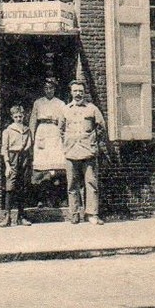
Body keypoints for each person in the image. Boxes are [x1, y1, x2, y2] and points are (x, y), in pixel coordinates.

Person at [59, 80, 107, 225]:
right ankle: (74, 213)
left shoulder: (92, 109)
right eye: (75, 91)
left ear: (84, 92)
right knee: (72, 184)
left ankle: (91, 214)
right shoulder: (65, 109)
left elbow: (101, 127)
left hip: (88, 151)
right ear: (71, 92)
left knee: (91, 183)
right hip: (71, 151)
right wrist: (67, 144)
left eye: (80, 91)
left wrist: (92, 141)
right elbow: (61, 130)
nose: (78, 94)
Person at [29, 76, 67, 204]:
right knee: (41, 168)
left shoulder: (60, 103)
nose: (49, 90)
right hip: (42, 132)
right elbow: (33, 121)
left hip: (55, 133)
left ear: (55, 89)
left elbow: (63, 122)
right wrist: (32, 137)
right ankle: (41, 199)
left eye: (51, 88)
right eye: (46, 88)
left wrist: (63, 137)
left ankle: (54, 199)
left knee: (55, 168)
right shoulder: (38, 103)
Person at [0, 102, 33, 227]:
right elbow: (4, 148)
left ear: (23, 116)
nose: (19, 119)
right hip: (12, 158)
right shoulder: (8, 131)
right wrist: (7, 165)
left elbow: (29, 145)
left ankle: (21, 216)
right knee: (10, 187)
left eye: (20, 116)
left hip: (24, 158)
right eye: (16, 117)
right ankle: (7, 217)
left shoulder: (27, 130)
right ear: (12, 117)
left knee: (22, 187)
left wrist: (26, 158)